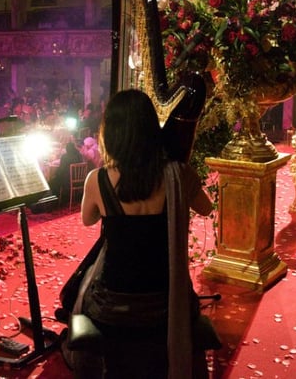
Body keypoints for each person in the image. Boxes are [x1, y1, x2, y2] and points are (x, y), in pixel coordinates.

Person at [73, 89, 219, 379]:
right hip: (166, 305)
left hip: (111, 309)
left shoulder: (97, 180)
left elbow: (88, 220)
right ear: (153, 130)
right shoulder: (178, 174)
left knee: (79, 292)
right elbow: (206, 208)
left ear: (110, 132)